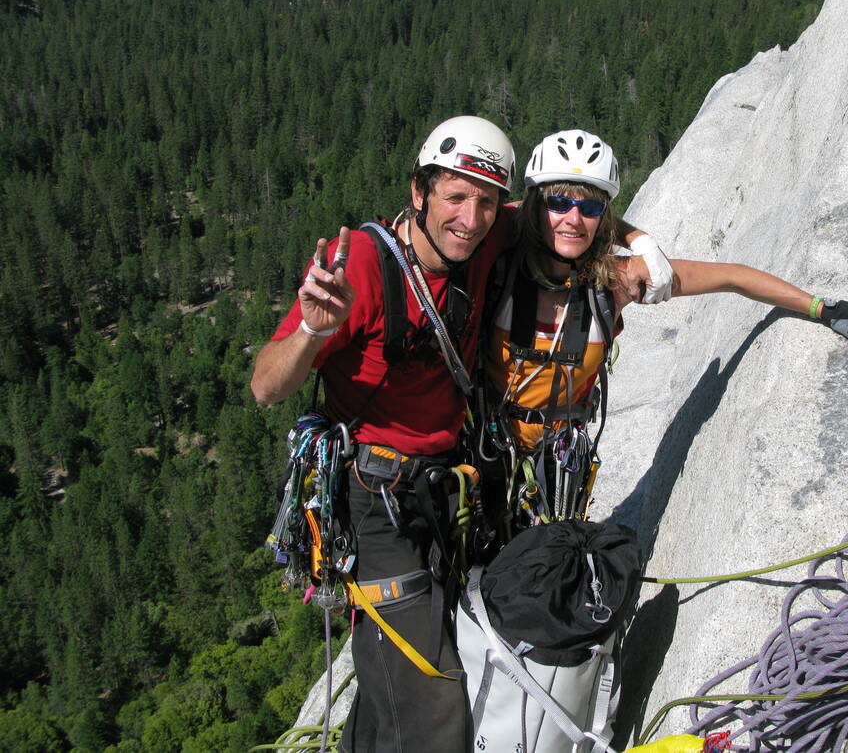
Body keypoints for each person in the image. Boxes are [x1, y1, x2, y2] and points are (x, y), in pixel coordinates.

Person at [250, 116, 667, 753]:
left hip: (447, 491)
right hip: (377, 504)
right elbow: (265, 386)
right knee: (436, 698)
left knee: (404, 667)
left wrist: (642, 242)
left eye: (485, 201)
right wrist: (312, 329)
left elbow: (566, 205)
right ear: (419, 193)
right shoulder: (360, 264)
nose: (470, 219)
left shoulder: (487, 230)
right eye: (454, 197)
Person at [476, 128, 848, 536]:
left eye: (590, 207)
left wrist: (822, 307)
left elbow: (734, 277)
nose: (573, 219)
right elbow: (469, 214)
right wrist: (638, 233)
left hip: (558, 464)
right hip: (487, 447)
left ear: (602, 217)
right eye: (558, 203)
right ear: (537, 206)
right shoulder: (498, 261)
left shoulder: (616, 282)